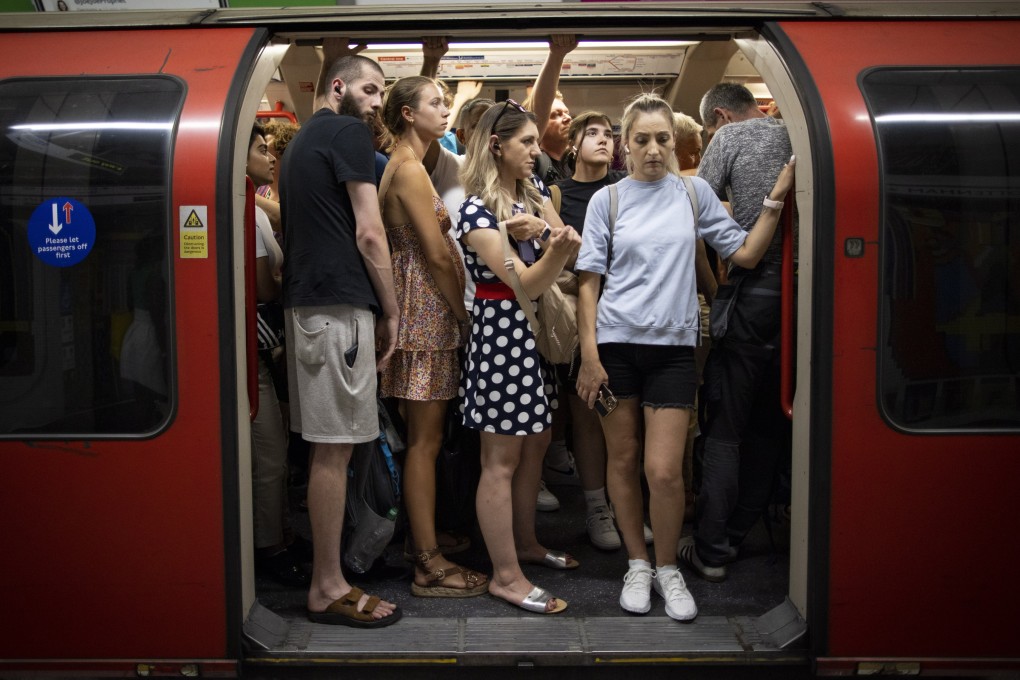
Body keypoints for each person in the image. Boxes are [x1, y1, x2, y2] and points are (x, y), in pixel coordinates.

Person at [574, 93, 794, 622]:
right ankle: (637, 563)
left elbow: (743, 254)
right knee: (622, 464)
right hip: (614, 349)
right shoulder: (609, 200)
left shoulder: (692, 194)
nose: (653, 150)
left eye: (663, 139)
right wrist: (588, 355)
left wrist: (775, 199)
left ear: (675, 142)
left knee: (665, 471)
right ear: (626, 145)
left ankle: (667, 567)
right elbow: (588, 282)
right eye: (642, 139)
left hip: (673, 351)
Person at [281, 54, 401, 627]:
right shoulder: (346, 131)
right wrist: (394, 310)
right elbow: (370, 231)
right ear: (338, 86)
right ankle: (327, 586)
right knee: (334, 450)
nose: (377, 104)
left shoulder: (301, 143)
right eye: (371, 90)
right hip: (338, 311)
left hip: (310, 308)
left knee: (328, 449)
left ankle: (329, 577)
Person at [456, 99, 582, 614]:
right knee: (501, 460)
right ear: (496, 146)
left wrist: (549, 235)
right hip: (502, 331)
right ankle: (505, 576)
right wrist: (555, 249)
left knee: (536, 443)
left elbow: (566, 238)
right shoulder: (475, 209)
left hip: (526, 334)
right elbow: (526, 282)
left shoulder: (526, 195)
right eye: (526, 142)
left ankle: (526, 543)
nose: (537, 150)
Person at [679, 82, 796, 584]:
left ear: (720, 117)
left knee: (727, 426)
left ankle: (710, 548)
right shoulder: (800, 132)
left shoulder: (729, 138)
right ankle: (742, 529)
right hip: (805, 295)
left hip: (753, 291)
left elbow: (693, 204)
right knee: (771, 423)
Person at [377, 75, 488, 598]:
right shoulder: (409, 170)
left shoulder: (407, 164)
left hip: (416, 310)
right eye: (435, 104)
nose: (445, 111)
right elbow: (439, 256)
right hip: (425, 313)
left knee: (423, 438)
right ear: (405, 113)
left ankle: (420, 537)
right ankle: (428, 563)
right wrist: (461, 316)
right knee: (426, 441)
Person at [550, 110, 627, 550]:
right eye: (593, 133)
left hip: (624, 313)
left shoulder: (624, 193)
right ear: (573, 143)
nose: (604, 140)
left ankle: (622, 504)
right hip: (580, 315)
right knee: (587, 416)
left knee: (622, 420)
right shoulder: (558, 196)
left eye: (610, 134)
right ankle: (597, 507)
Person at [245, 123, 307, 587]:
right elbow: (265, 286)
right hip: (251, 354)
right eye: (261, 149)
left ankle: (278, 531)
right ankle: (269, 547)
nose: (269, 157)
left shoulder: (257, 210)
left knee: (276, 452)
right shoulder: (250, 214)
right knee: (269, 455)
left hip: (259, 351)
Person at [523, 34, 578, 187]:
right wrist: (557, 55)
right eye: (556, 115)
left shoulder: (577, 163)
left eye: (566, 112)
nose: (567, 118)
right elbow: (539, 108)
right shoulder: (534, 161)